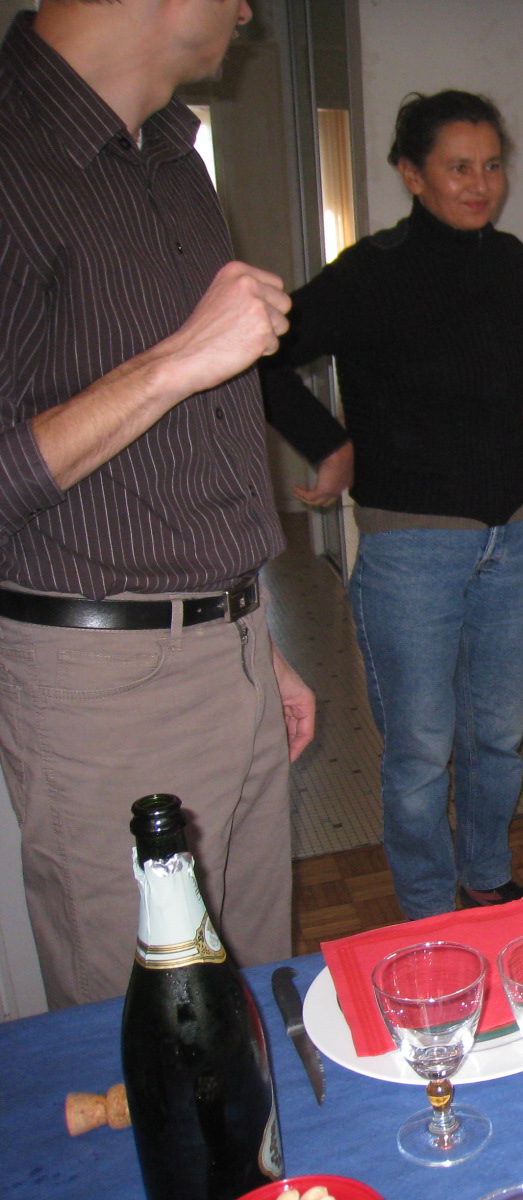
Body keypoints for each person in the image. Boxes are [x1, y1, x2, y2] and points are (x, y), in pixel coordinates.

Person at [0, 0, 315, 1008]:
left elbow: (187, 451)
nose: (248, 9)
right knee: (142, 1032)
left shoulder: (176, 158)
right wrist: (179, 359)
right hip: (100, 686)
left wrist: (252, 638)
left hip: (231, 645)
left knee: (251, 997)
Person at [261, 90, 523, 920]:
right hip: (410, 552)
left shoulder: (510, 261)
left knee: (496, 737)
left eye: (492, 166)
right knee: (422, 751)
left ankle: (486, 874)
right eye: (458, 167)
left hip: (506, 540)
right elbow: (262, 354)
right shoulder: (373, 270)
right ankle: (429, 910)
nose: (480, 184)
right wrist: (329, 442)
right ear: (411, 173)